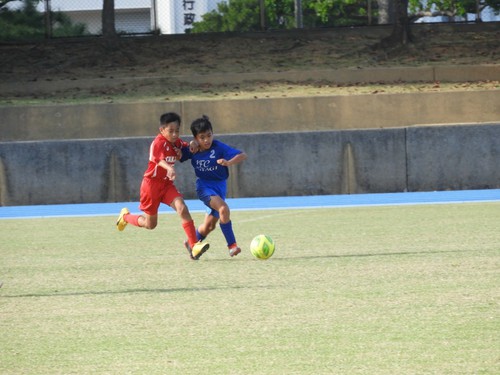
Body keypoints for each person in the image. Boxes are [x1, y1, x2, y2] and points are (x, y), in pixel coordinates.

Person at [116, 112, 209, 260]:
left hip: (166, 185)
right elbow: (158, 160)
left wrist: (192, 144)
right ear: (162, 130)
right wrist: (169, 168)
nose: (174, 134)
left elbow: (184, 147)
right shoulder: (157, 143)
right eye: (170, 131)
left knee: (182, 208)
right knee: (150, 224)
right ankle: (126, 217)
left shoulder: (176, 142)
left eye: (177, 131)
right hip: (150, 186)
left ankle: (194, 245)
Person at [181, 115, 247, 257]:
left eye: (209, 135)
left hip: (220, 188)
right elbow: (178, 153)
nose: (206, 140)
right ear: (196, 138)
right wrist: (189, 144)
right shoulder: (193, 149)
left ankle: (191, 243)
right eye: (202, 137)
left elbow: (242, 155)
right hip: (204, 187)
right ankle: (232, 246)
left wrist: (228, 163)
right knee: (223, 208)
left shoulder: (219, 147)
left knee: (209, 226)